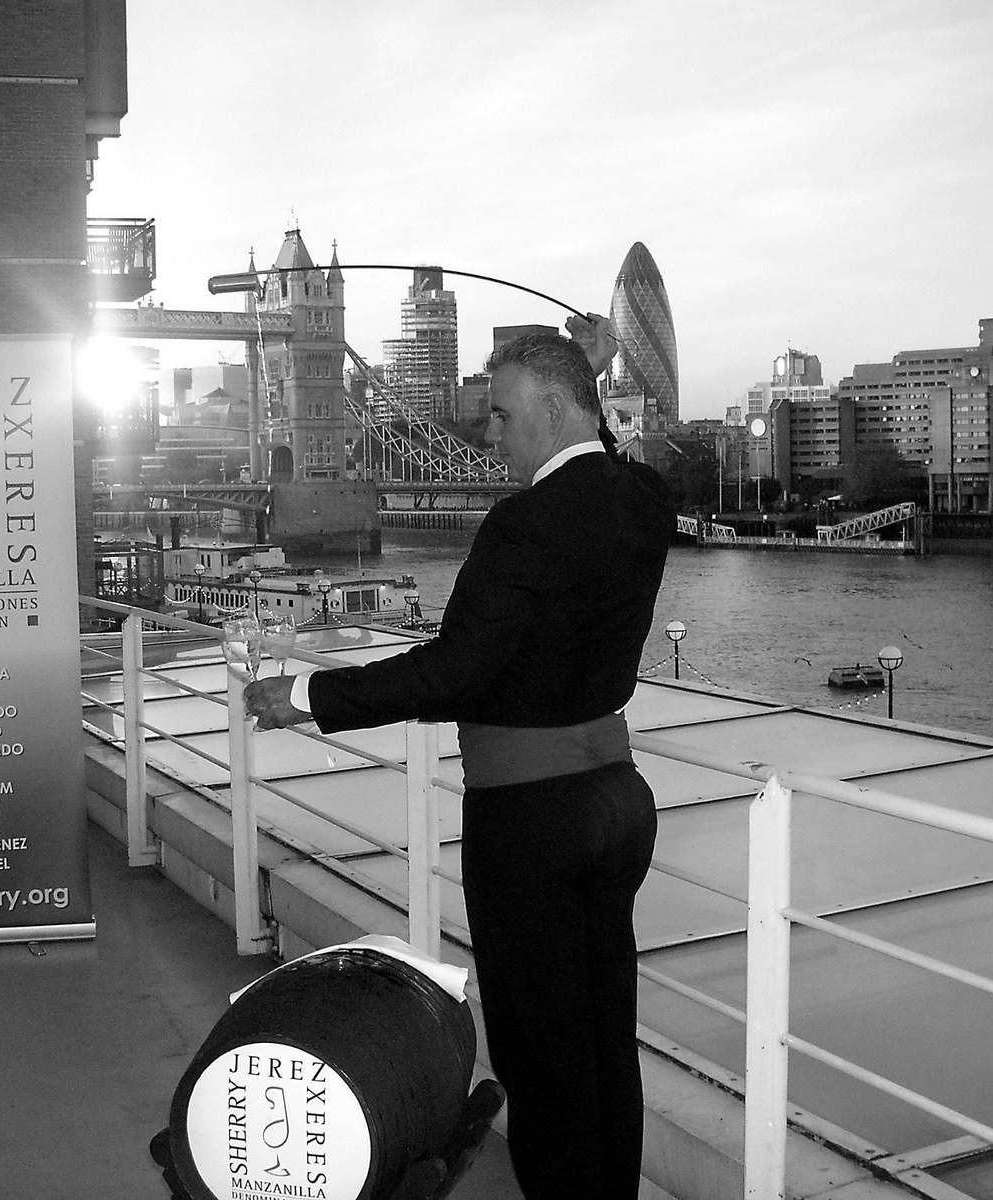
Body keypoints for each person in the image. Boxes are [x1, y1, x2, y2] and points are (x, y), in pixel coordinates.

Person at [244, 317, 674, 1200]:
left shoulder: (521, 526)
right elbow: (605, 459)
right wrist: (588, 376)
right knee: (604, 1036)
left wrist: (309, 698)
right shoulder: (645, 499)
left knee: (539, 1051)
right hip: (617, 803)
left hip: (532, 816)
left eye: (504, 414)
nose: (489, 433)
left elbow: (456, 672)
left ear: (554, 409)